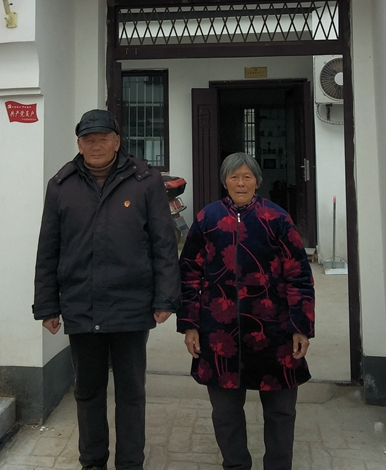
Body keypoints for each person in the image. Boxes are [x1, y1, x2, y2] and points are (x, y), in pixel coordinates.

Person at [34, 109, 180, 470]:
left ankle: (130, 463)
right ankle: (93, 462)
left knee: (131, 393)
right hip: (81, 304)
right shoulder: (61, 185)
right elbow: (48, 248)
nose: (96, 145)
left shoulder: (145, 181)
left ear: (117, 141)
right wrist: (47, 305)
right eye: (89, 139)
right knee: (88, 391)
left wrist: (165, 298)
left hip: (132, 304)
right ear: (79, 144)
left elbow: (164, 243)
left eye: (103, 138)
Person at [177, 152, 315, 470]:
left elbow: (299, 276)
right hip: (220, 332)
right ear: (224, 181)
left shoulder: (277, 218)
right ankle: (236, 464)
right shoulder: (208, 218)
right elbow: (189, 274)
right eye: (234, 177)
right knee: (225, 412)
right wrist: (190, 324)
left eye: (247, 177)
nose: (241, 183)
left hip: (274, 331)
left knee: (281, 411)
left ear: (257, 181)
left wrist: (301, 326)